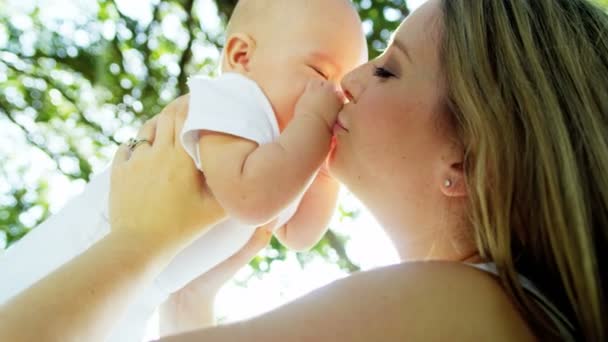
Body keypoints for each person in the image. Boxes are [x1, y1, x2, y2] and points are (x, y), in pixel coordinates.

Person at [1, 0, 606, 340]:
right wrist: (192, 297)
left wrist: (135, 244)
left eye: (389, 70)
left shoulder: (460, 305)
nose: (347, 82)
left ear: (471, 159)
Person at [0, 0, 366, 340]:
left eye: (342, 92)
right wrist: (314, 122)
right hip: (58, 270)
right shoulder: (233, 101)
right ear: (242, 56)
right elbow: (250, 199)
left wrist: (324, 168)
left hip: (127, 298)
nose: (332, 95)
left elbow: (297, 235)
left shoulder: (287, 153)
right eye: (320, 72)